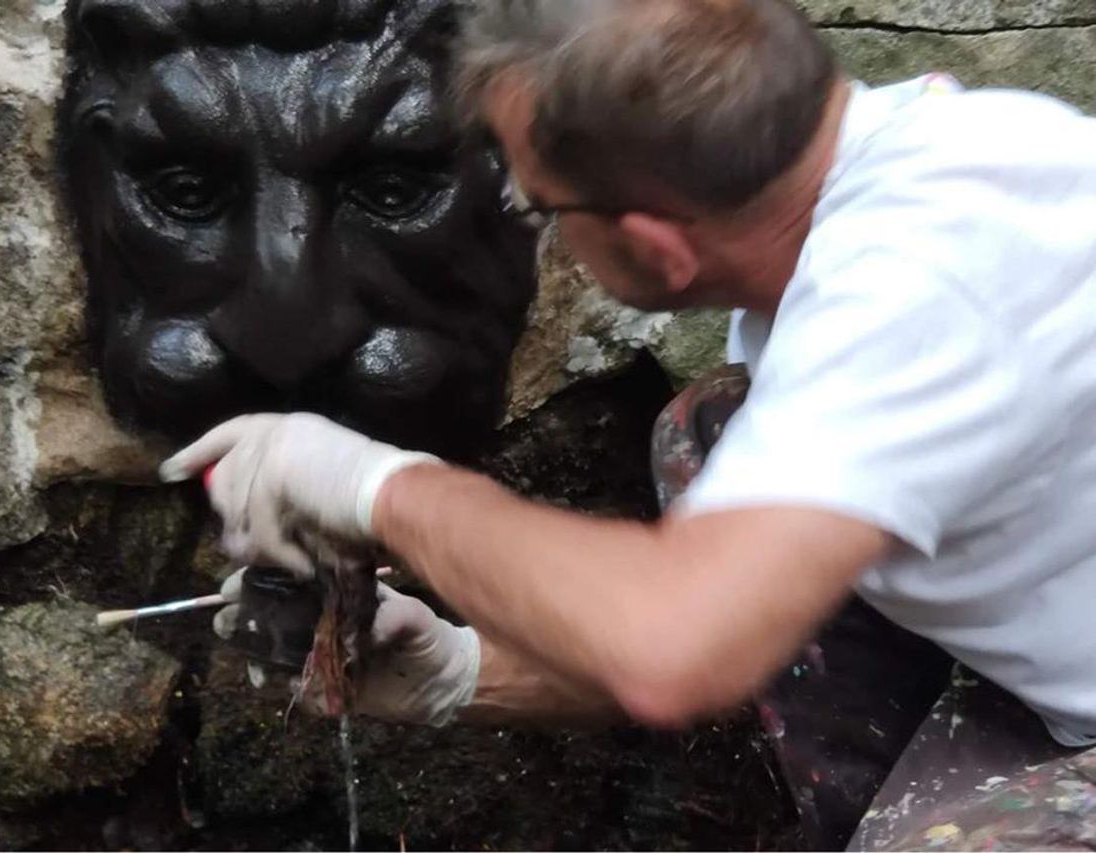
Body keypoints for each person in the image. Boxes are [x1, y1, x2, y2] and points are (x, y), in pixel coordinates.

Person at [159, 0, 1096, 847]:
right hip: (1050, 662)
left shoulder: (924, 285)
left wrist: (379, 488)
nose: (539, 226)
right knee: (709, 438)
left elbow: (675, 647)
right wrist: (460, 673)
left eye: (540, 207)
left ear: (655, 245)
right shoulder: (904, 162)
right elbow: (705, 620)